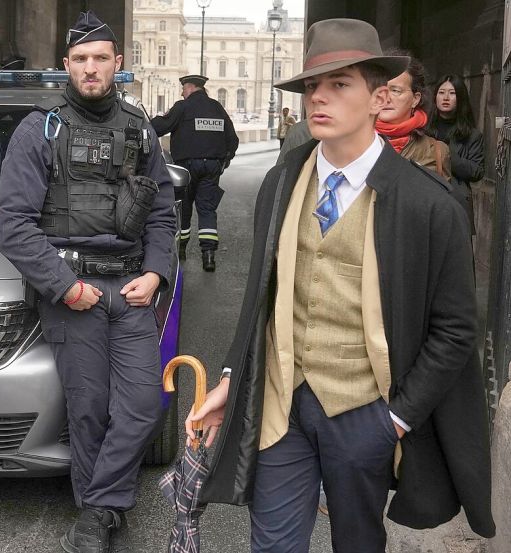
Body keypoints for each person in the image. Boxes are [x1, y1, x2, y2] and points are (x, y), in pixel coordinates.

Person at [186, 18, 495, 552]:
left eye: (340, 84)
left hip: (363, 413)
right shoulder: (281, 182)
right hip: (283, 406)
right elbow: (261, 298)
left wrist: (395, 419)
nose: (319, 99)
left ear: (379, 98)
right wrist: (235, 379)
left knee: (356, 542)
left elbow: (456, 330)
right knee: (273, 545)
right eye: (311, 86)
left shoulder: (427, 204)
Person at [0, 11, 175, 553]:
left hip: (131, 289)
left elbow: (164, 212)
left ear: (118, 64)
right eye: (80, 59)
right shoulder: (40, 129)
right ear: (66, 66)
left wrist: (156, 271)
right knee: (89, 409)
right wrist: (64, 285)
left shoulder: (140, 128)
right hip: (74, 292)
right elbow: (13, 226)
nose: (91, 68)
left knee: (144, 405)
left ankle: (99, 502)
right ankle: (99, 515)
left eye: (101, 58)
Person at [150, 74, 238, 271]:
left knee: (184, 208)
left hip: (186, 167)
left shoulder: (183, 107)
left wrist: (148, 122)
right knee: (207, 209)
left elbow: (159, 127)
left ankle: (180, 252)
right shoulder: (217, 108)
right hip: (212, 166)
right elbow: (233, 140)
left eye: (183, 89)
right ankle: (208, 256)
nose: (182, 93)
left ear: (190, 87)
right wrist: (225, 161)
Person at [375, 51, 451, 180]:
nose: (386, 98)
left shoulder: (436, 152)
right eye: (379, 89)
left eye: (395, 90)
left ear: (415, 99)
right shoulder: (353, 145)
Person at [428, 74, 485, 232]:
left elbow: (477, 171)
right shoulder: (422, 130)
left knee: (457, 253)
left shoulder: (471, 135)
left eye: (452, 93)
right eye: (441, 92)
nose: (446, 97)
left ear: (460, 98)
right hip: (425, 200)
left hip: (455, 202)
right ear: (435, 97)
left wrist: (447, 155)